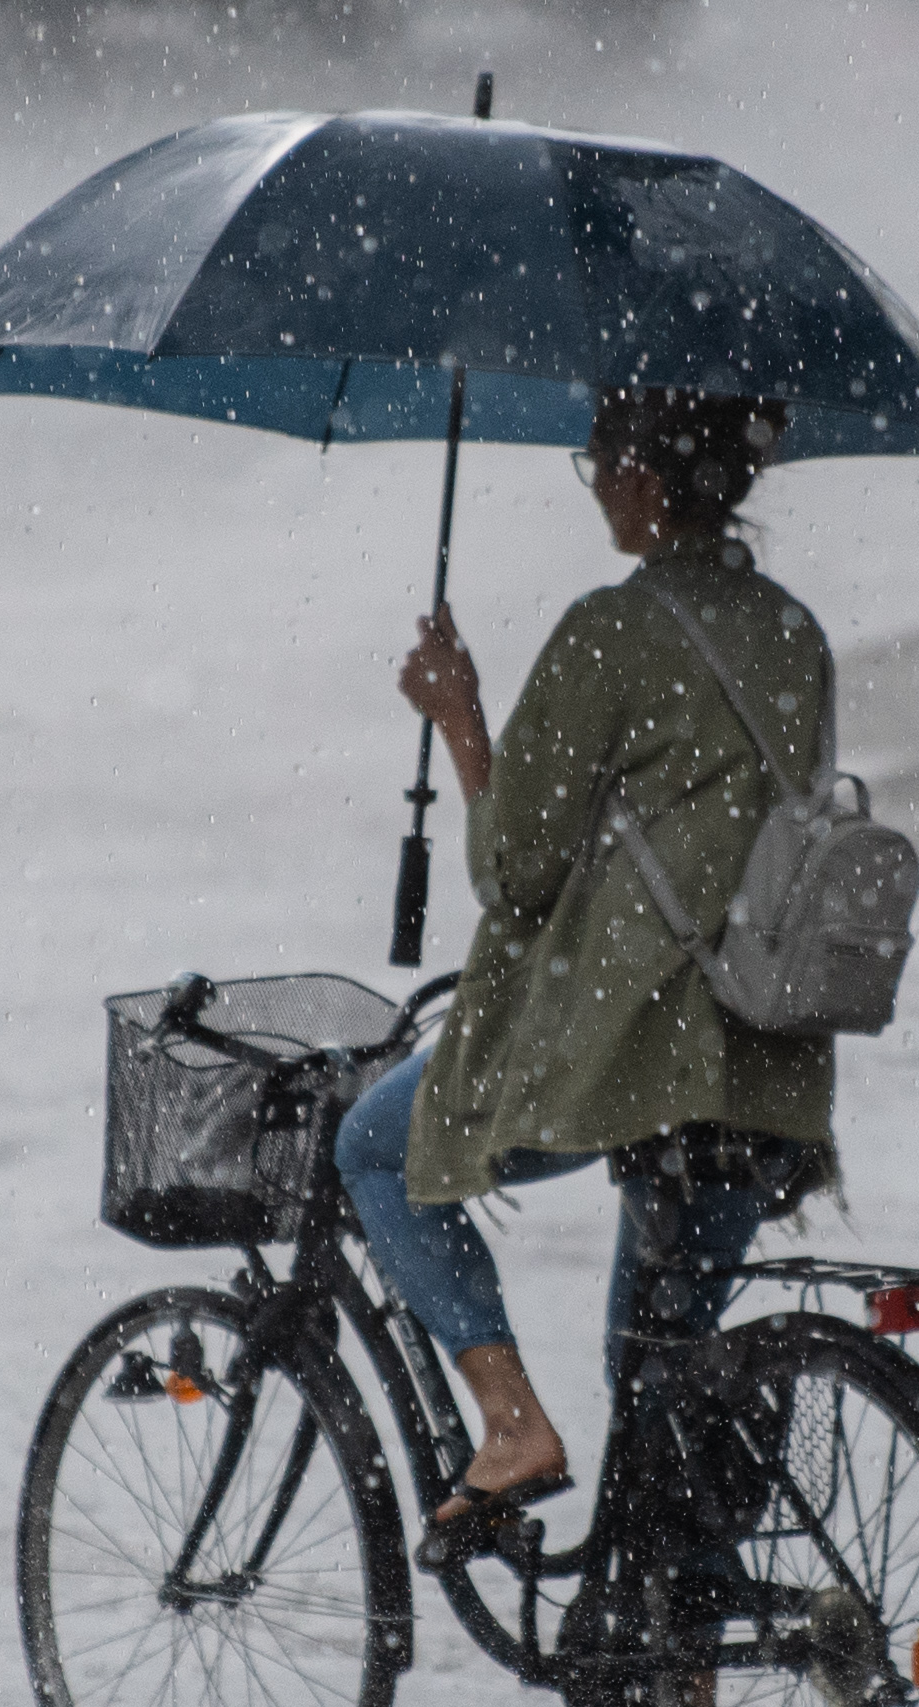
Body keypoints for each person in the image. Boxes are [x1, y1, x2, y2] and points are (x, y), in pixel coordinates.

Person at [334, 383, 839, 1595]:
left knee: (371, 1146)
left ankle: (508, 1426)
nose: (598, 483)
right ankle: (685, 1701)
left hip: (638, 1042)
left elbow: (516, 870)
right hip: (769, 1050)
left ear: (649, 487)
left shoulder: (611, 630)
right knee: (662, 1368)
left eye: (602, 462)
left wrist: (457, 716)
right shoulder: (792, 631)